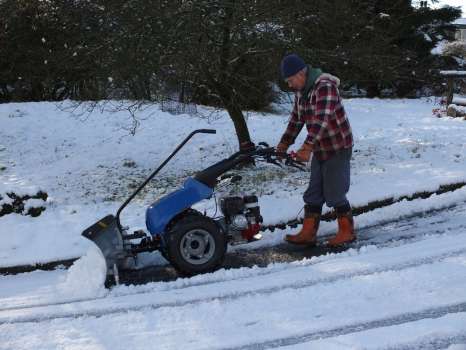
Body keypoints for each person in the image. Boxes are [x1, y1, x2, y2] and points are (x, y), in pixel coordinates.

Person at [276, 53, 355, 246]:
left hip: (337, 146)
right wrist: (284, 143)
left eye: (290, 80)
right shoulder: (302, 93)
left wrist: (307, 147)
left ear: (301, 73)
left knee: (335, 192)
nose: (289, 84)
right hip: (320, 147)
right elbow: (296, 120)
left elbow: (321, 121)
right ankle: (308, 233)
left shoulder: (325, 87)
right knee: (314, 192)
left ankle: (347, 232)